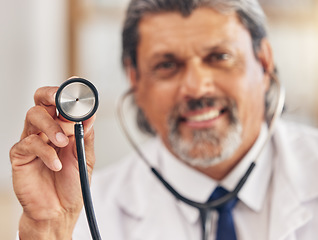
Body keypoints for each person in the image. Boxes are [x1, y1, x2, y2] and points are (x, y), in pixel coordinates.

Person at [9, 0, 318, 239]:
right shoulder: (87, 210)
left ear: (264, 63)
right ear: (136, 81)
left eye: (219, 57)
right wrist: (49, 230)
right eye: (167, 64)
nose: (196, 87)